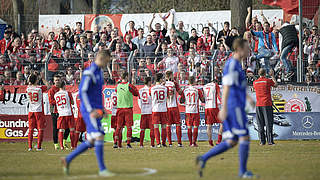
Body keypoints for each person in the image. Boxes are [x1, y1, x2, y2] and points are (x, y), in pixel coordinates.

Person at [196, 38, 257, 178]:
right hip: (233, 106)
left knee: (232, 141)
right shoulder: (232, 65)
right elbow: (227, 87)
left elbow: (237, 86)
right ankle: (242, 172)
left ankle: (203, 158)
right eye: (247, 48)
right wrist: (223, 108)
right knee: (245, 137)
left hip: (236, 104)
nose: (249, 50)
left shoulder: (237, 64)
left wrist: (247, 98)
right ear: (240, 49)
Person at [61, 50, 115, 177]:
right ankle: (102, 169)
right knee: (99, 135)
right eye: (107, 61)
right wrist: (91, 110)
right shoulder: (89, 72)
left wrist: (102, 109)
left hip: (97, 110)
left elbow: (96, 93)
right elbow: (83, 92)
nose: (107, 63)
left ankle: (67, 160)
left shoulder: (99, 73)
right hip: (89, 111)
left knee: (91, 140)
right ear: (102, 58)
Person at [253, 68, 277, 145]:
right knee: (268, 123)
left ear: (259, 73)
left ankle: (262, 141)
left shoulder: (255, 82)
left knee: (260, 124)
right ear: (265, 73)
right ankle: (270, 141)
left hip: (258, 104)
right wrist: (272, 76)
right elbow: (275, 85)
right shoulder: (267, 81)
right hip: (267, 103)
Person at [115, 72, 139, 148]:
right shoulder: (129, 85)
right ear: (126, 77)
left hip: (119, 109)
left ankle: (117, 143)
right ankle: (128, 143)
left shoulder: (117, 86)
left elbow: (117, 92)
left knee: (119, 127)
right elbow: (136, 93)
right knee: (129, 127)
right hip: (128, 109)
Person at [180, 76, 205, 147]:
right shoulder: (197, 90)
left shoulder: (185, 90)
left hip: (188, 110)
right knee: (196, 127)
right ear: (194, 81)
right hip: (195, 110)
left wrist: (182, 96)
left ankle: (190, 142)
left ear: (188, 82)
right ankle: (194, 142)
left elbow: (181, 101)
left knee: (189, 127)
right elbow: (203, 100)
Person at [48, 74, 70, 150]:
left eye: (59, 80)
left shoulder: (63, 89)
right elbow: (51, 101)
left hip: (64, 111)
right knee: (56, 128)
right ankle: (56, 144)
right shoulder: (51, 90)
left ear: (61, 81)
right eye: (56, 80)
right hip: (55, 111)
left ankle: (64, 142)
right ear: (54, 81)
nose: (57, 82)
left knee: (68, 127)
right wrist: (59, 100)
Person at [26, 74, 47, 151]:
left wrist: (31, 78)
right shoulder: (40, 88)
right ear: (36, 80)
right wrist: (43, 79)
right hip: (38, 111)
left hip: (31, 111)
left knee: (31, 129)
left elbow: (29, 83)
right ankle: (39, 147)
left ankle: (30, 147)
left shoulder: (27, 88)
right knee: (40, 129)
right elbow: (48, 86)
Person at [54, 81, 76, 150]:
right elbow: (72, 103)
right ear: (64, 86)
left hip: (61, 114)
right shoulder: (68, 93)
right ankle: (73, 146)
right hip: (68, 113)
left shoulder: (56, 94)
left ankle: (61, 146)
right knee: (72, 129)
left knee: (61, 130)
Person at [164, 70, 183, 147]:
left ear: (166, 76)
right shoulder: (174, 83)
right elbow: (180, 92)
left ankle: (170, 143)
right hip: (174, 106)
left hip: (167, 107)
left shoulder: (164, 84)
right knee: (178, 124)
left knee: (168, 125)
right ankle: (179, 142)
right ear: (171, 76)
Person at [150, 73, 169, 147]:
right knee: (164, 126)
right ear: (160, 79)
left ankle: (158, 143)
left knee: (156, 126)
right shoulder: (165, 88)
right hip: (163, 109)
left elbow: (150, 95)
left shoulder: (152, 88)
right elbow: (167, 96)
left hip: (155, 109)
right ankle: (164, 143)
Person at [203, 80, 223, 146]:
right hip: (214, 107)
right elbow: (219, 96)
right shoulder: (215, 85)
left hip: (207, 107)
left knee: (209, 125)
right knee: (223, 123)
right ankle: (219, 141)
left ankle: (210, 142)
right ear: (216, 82)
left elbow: (203, 98)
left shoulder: (204, 86)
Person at [138, 77, 155, 147]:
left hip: (143, 111)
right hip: (150, 111)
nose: (151, 83)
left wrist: (142, 108)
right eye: (150, 81)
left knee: (142, 129)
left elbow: (139, 101)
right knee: (152, 128)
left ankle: (141, 144)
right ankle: (152, 144)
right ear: (148, 82)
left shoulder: (140, 90)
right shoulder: (151, 89)